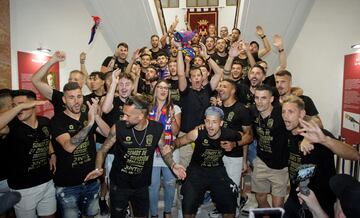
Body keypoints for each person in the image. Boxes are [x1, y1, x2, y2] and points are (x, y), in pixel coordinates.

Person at [84, 94, 186, 218]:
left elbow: (164, 150)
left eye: (128, 115)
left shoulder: (157, 129)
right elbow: (102, 150)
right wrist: (97, 167)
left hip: (142, 185)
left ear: (141, 115)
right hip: (119, 184)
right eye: (123, 114)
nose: (123, 118)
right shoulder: (118, 127)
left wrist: (173, 164)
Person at [281, 95, 359, 218]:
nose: (285, 115)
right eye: (283, 111)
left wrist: (324, 140)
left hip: (320, 203)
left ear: (302, 114)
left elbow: (354, 155)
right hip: (296, 198)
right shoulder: (288, 132)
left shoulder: (318, 135)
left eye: (291, 111)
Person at [50, 82, 109, 218]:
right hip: (68, 185)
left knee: (91, 214)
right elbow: (69, 146)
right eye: (71, 97)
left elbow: (107, 134)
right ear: (64, 100)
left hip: (91, 181)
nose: (76, 101)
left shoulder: (86, 116)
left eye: (79, 96)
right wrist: (89, 124)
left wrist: (96, 117)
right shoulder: (57, 120)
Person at [173, 106, 242, 218]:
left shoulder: (228, 133)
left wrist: (235, 144)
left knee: (230, 202)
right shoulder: (197, 133)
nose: (210, 126)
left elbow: (247, 136)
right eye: (208, 121)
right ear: (204, 121)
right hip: (197, 171)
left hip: (217, 171)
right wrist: (169, 147)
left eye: (214, 122)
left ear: (221, 123)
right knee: (188, 203)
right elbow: (178, 142)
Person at [0, 90, 56, 218]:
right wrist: (20, 106)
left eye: (22, 104)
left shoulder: (44, 122)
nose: (19, 108)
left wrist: (52, 153)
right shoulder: (11, 127)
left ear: (33, 105)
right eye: (14, 106)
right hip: (23, 188)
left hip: (46, 182)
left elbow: (45, 138)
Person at [251, 85, 289, 208]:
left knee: (278, 205)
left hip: (280, 166)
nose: (259, 102)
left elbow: (304, 121)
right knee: (260, 197)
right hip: (261, 161)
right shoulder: (253, 111)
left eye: (263, 98)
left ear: (271, 99)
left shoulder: (281, 112)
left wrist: (307, 140)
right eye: (256, 98)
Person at [148, 80, 181, 218]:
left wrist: (172, 117)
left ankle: (167, 212)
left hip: (169, 151)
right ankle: (154, 214)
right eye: (160, 88)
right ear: (155, 90)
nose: (163, 90)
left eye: (165, 88)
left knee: (169, 184)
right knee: (153, 186)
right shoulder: (147, 107)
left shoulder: (175, 108)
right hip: (152, 152)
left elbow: (175, 132)